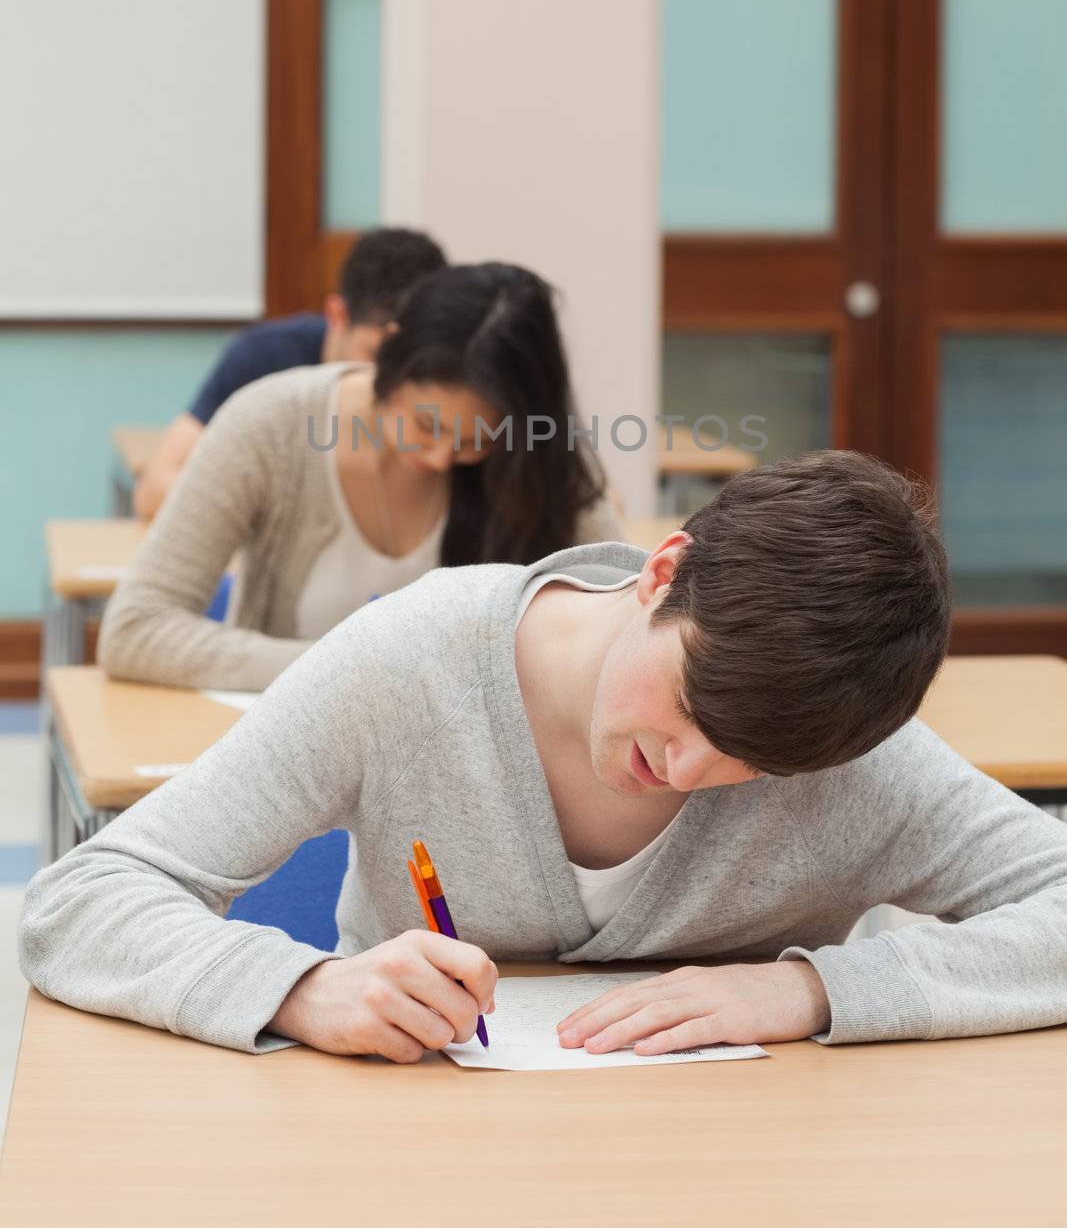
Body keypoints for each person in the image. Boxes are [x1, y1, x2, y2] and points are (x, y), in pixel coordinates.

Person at [22, 453, 1067, 1058]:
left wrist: (813, 991)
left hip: (734, 1174)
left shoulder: (838, 744)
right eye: (692, 701)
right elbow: (83, 900)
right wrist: (300, 988)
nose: (694, 765)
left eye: (752, 762)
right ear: (664, 572)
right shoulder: (412, 661)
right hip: (417, 1161)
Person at [98, 261, 622, 692]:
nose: (440, 458)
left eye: (473, 442)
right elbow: (135, 628)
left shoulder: (533, 455)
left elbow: (622, 614)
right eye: (426, 424)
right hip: (287, 761)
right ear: (390, 355)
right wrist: (352, 670)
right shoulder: (271, 423)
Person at [133, 227, 446, 519]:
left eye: (410, 364)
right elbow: (155, 490)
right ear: (338, 314)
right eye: (377, 356)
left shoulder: (437, 381)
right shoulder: (264, 358)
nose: (391, 382)